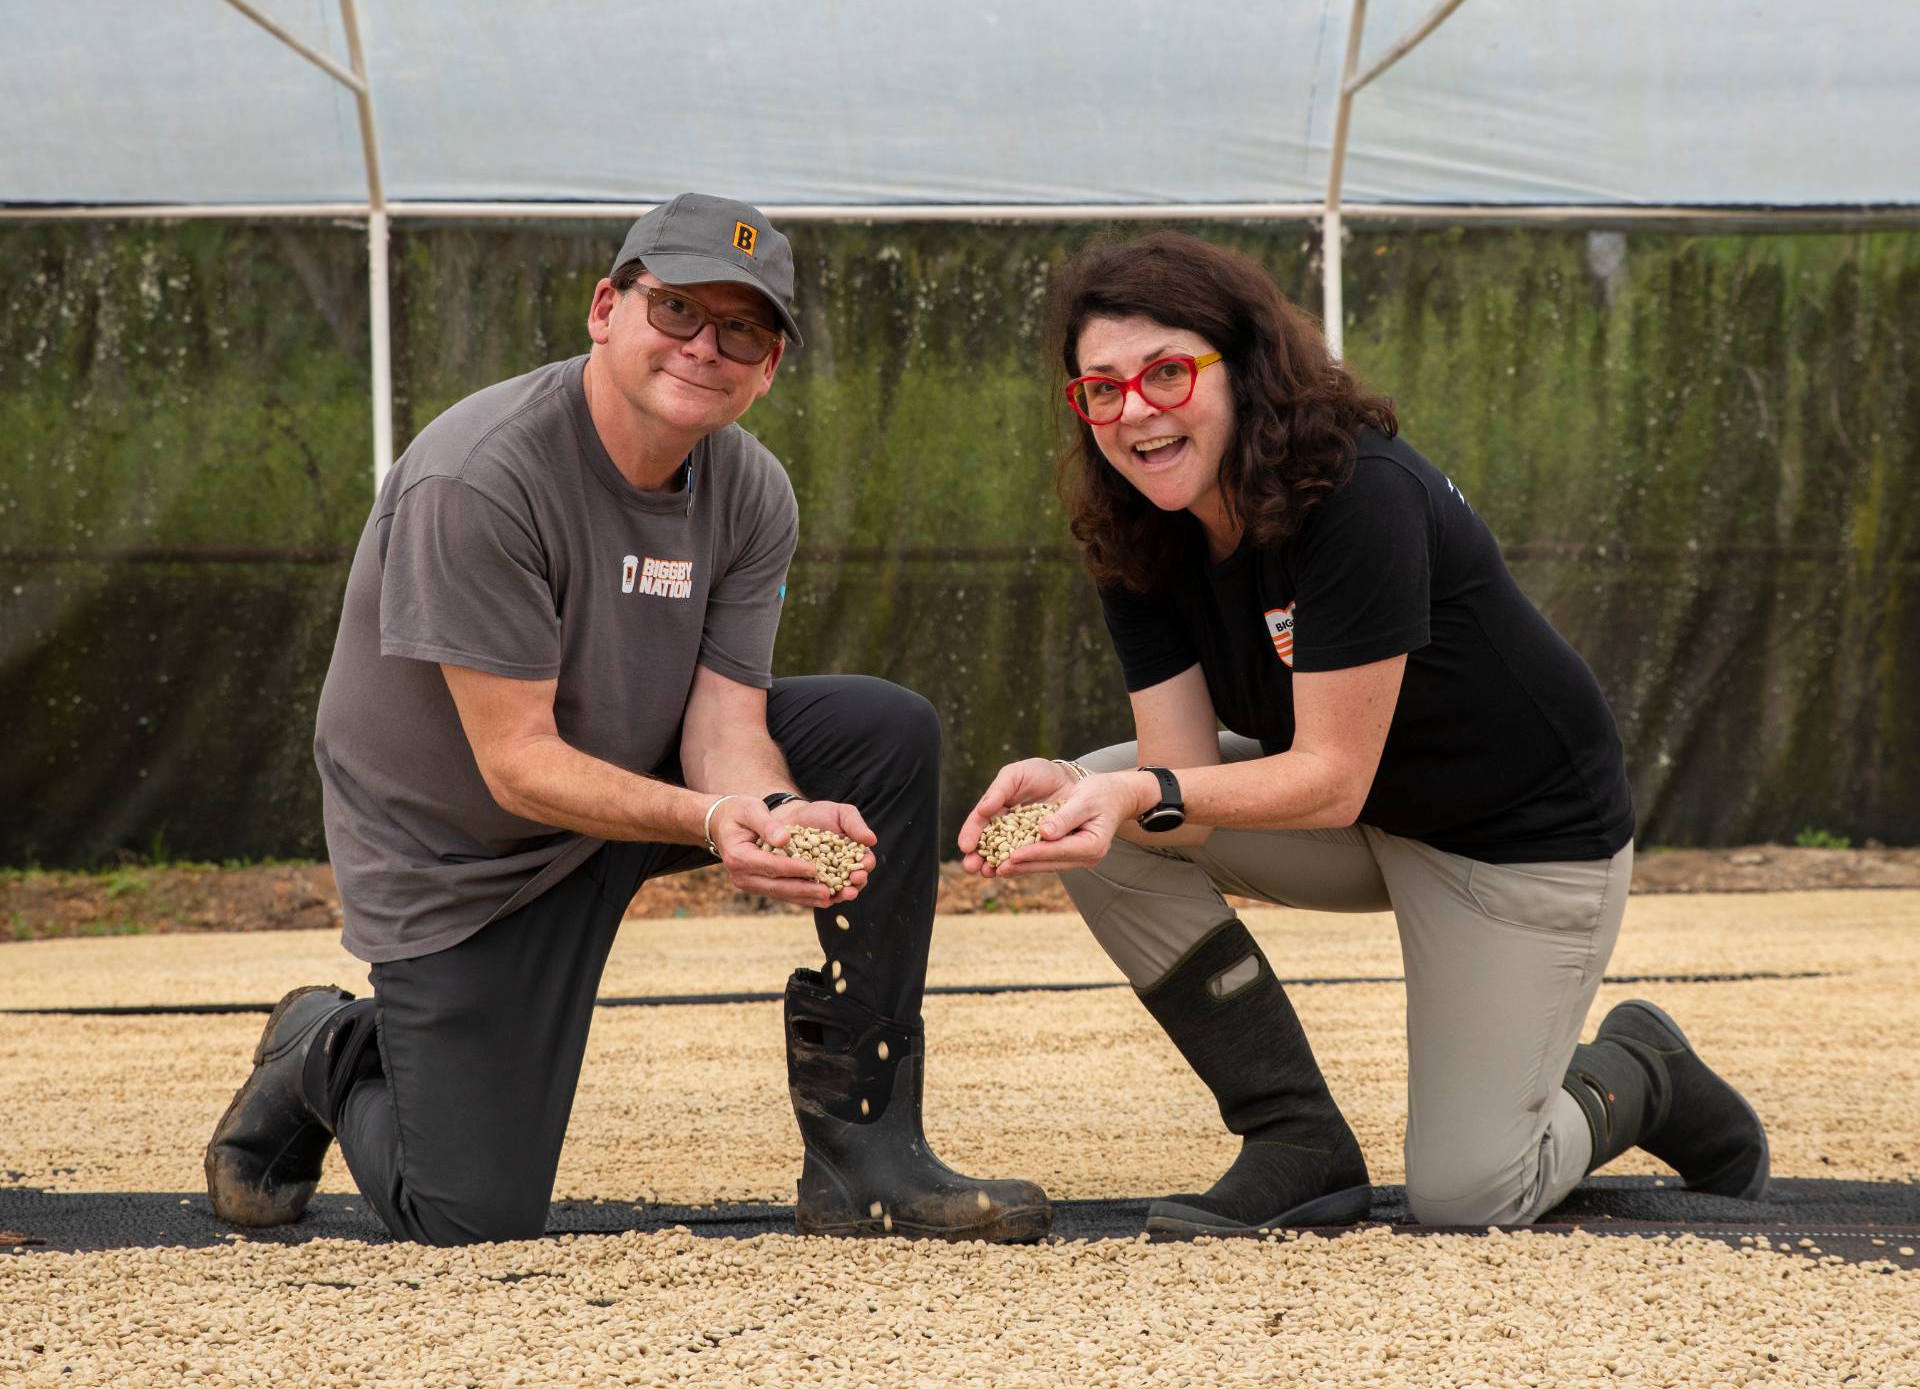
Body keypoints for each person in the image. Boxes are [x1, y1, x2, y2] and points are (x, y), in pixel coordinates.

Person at [205, 194, 1050, 1246]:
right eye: (680, 310)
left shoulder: (750, 487)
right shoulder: (481, 476)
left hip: (628, 779)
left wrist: (773, 809)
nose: (708, 347)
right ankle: (325, 1047)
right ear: (608, 307)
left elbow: (725, 720)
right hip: (465, 858)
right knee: (469, 1214)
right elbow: (516, 768)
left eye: (744, 329)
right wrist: (709, 823)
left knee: (884, 729)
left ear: (771, 364)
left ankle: (864, 1156)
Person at [959, 232, 1767, 1236]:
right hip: (1368, 817)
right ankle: (1295, 1138)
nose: (1137, 413)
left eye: (1167, 373)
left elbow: (1330, 779)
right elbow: (1181, 788)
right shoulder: (1135, 531)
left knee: (1473, 1193)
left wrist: (1137, 793)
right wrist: (1072, 783)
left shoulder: (1359, 493)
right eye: (1102, 390)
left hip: (1520, 840)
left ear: (1243, 368)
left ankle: (1640, 1069)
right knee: (1090, 804)